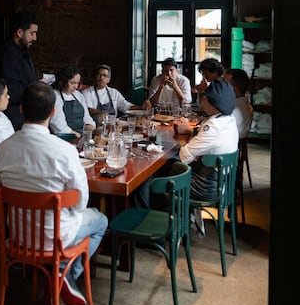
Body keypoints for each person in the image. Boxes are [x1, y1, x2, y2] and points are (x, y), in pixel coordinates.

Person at [0, 81, 108, 305]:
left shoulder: (4, 147)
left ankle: (60, 275)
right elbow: (80, 200)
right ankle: (65, 273)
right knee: (100, 220)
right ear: (53, 112)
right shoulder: (64, 151)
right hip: (57, 237)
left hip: (18, 237)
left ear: (22, 110)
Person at [131, 80, 238, 230]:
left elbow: (184, 156)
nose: (201, 98)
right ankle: (169, 221)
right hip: (220, 181)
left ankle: (147, 229)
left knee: (145, 180)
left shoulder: (212, 128)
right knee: (161, 168)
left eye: (204, 95)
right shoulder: (228, 119)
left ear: (211, 102)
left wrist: (183, 142)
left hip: (204, 186)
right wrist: (190, 131)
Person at [0, 11, 39, 130]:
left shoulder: (23, 50)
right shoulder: (8, 54)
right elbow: (12, 91)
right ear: (19, 32)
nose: (35, 38)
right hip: (13, 116)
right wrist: (35, 89)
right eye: (32, 33)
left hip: (23, 112)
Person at [81, 63, 148, 124]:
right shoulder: (87, 92)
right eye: (99, 75)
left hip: (113, 125)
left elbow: (126, 106)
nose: (101, 78)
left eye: (104, 75)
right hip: (95, 126)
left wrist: (141, 107)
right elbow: (87, 109)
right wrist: (101, 113)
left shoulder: (114, 93)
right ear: (95, 77)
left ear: (108, 79)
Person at [49, 66, 96, 138]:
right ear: (62, 81)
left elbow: (87, 119)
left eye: (77, 83)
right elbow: (59, 127)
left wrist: (94, 131)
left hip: (80, 136)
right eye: (72, 83)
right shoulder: (55, 96)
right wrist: (80, 138)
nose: (76, 87)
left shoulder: (78, 95)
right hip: (65, 137)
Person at [223, 67, 254, 141]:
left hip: (229, 143)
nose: (221, 86)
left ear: (234, 89)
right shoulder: (241, 102)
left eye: (224, 84)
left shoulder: (234, 109)